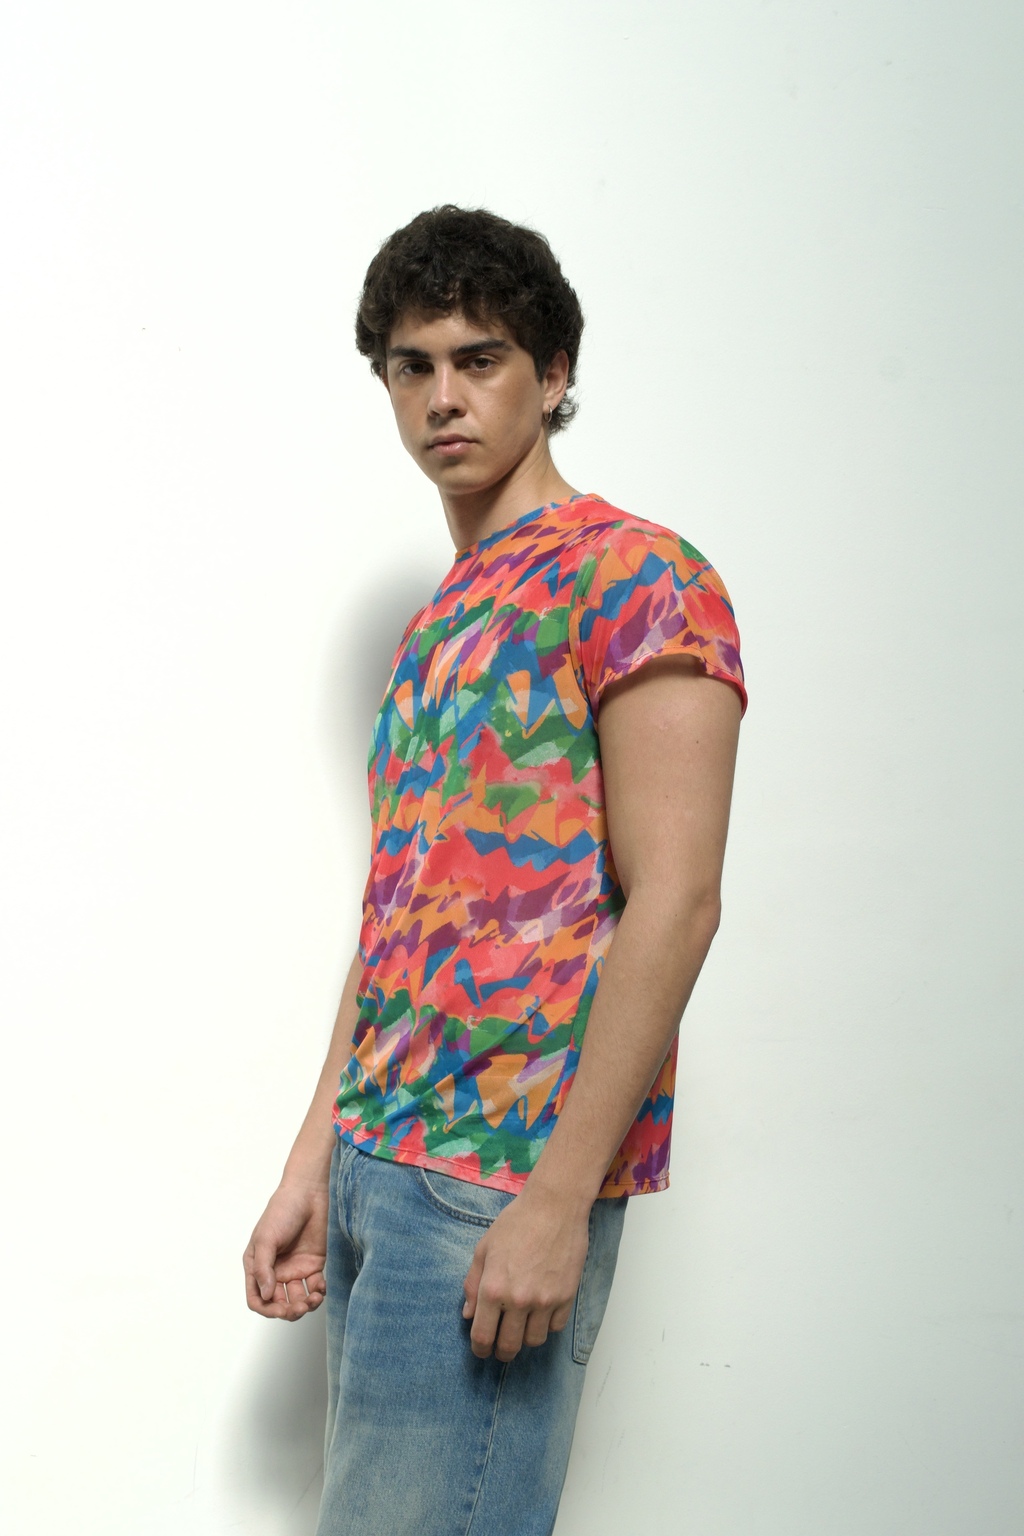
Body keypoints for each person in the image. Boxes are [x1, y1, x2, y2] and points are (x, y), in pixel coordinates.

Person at [243, 205, 746, 1536]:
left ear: (554, 372)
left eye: (480, 359)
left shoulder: (638, 575)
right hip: (379, 1159)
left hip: (498, 1178)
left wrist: (556, 1198)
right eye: (411, 367)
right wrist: (314, 1162)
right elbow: (402, 916)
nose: (443, 398)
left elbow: (679, 900)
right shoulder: (439, 623)